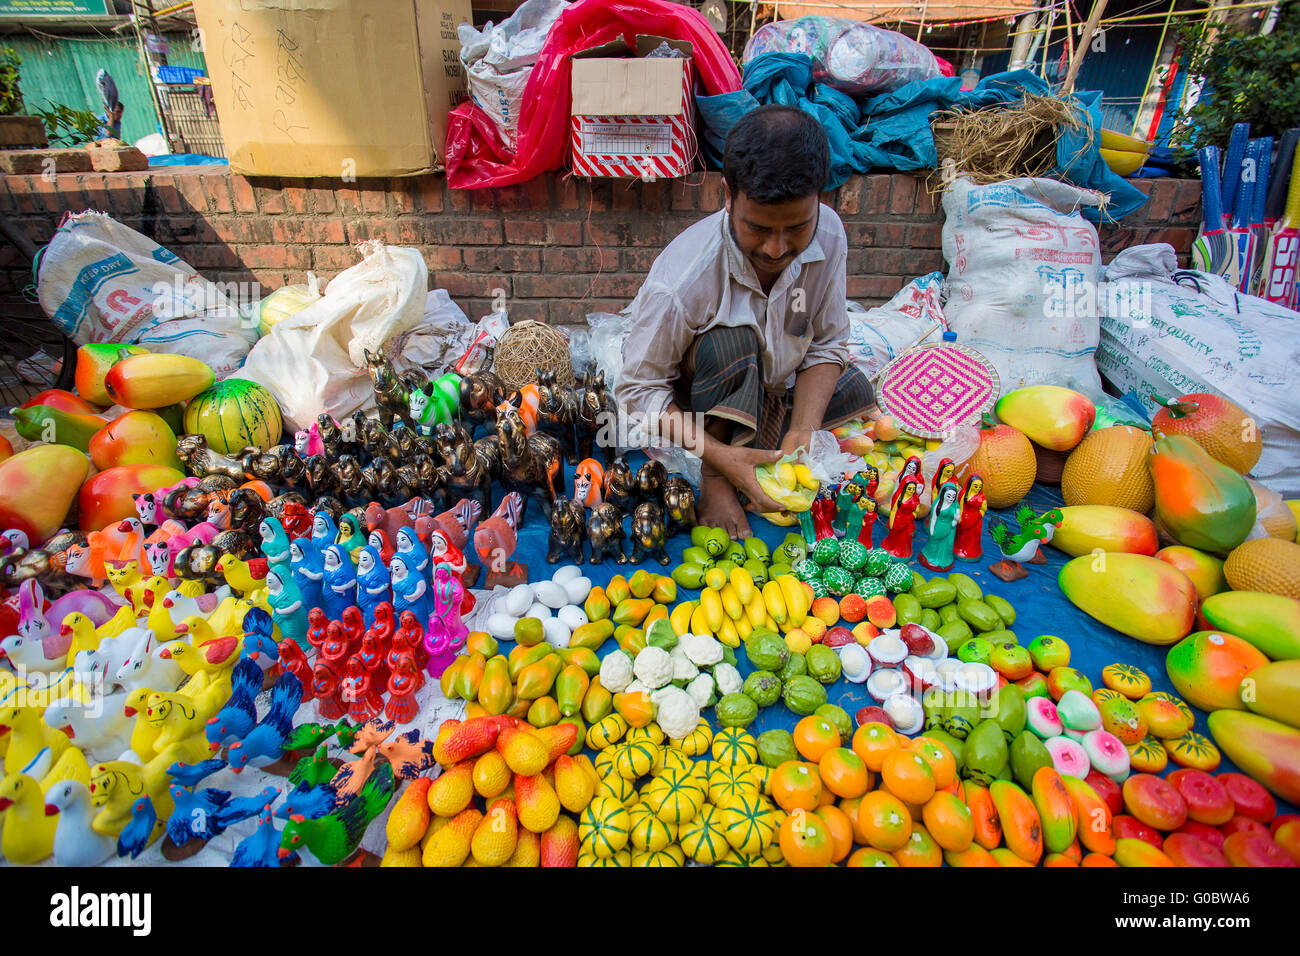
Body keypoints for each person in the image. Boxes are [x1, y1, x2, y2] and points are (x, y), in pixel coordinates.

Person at [615, 105, 878, 539]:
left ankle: (773, 440)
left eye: (796, 227)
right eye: (757, 229)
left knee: (856, 387)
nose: (776, 248)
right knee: (733, 344)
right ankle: (720, 478)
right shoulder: (685, 278)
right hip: (706, 400)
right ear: (727, 195)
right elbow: (639, 389)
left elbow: (828, 343)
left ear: (820, 200)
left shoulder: (829, 235)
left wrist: (803, 431)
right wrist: (718, 458)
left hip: (775, 389)